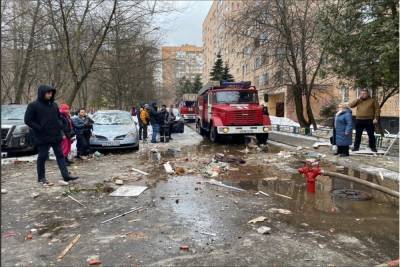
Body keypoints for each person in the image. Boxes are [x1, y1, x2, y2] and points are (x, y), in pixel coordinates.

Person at [24, 85, 79, 185]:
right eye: (48, 93)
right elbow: (27, 120)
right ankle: (41, 178)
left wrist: (60, 125)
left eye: (51, 93)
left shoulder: (54, 105)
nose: (50, 95)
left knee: (60, 156)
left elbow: (58, 117)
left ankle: (66, 176)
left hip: (55, 135)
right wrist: (39, 128)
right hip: (42, 136)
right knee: (43, 156)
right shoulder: (33, 105)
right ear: (42, 93)